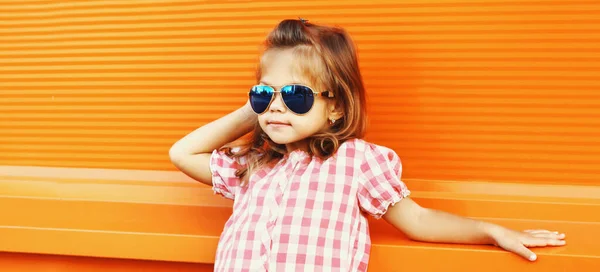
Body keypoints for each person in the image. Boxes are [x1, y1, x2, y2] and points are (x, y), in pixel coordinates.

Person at [169, 18, 566, 271]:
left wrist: (489, 230)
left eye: (296, 95)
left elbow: (419, 220)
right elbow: (182, 153)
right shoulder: (254, 164)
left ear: (336, 107)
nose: (276, 107)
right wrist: (253, 109)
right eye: (264, 94)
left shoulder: (357, 161)